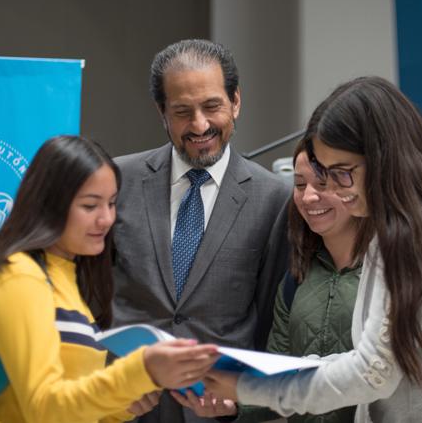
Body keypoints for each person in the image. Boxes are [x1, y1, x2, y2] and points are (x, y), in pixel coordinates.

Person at [203, 76, 422, 422]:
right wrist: (253, 376)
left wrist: (249, 384)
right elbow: (369, 360)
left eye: (343, 173)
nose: (336, 190)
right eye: (325, 173)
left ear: (384, 158)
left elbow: (373, 372)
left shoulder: (415, 238)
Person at [0, 135, 220, 423]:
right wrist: (140, 371)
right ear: (48, 204)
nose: (106, 219)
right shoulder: (19, 277)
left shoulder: (66, 277)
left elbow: (71, 407)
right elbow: (43, 408)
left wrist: (124, 404)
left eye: (112, 203)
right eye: (90, 206)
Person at [111, 39, 291, 422]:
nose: (199, 125)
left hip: (217, 412)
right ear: (162, 113)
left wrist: (245, 401)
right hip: (124, 406)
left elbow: (272, 325)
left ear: (235, 102)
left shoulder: (275, 198)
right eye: (182, 111)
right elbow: (87, 296)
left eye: (211, 106)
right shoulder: (116, 181)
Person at [173, 137, 362, 423]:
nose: (309, 196)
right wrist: (234, 402)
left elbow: (380, 373)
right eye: (299, 184)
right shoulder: (296, 277)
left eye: (323, 184)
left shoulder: (387, 272)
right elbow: (278, 376)